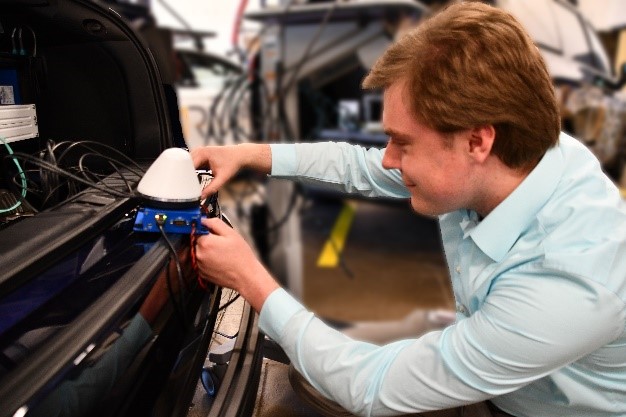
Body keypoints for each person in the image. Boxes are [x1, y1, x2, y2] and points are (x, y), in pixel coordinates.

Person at [191, 2, 626, 416]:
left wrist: (250, 279)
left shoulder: (568, 283)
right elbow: (358, 165)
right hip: (508, 368)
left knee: (328, 379)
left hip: (533, 409)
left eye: (404, 142)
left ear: (478, 141)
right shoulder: (518, 154)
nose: (388, 159)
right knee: (311, 377)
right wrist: (250, 154)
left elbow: (371, 387)